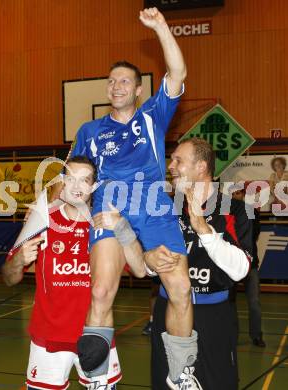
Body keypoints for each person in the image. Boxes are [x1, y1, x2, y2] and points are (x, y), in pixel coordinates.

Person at [64, 7, 199, 390]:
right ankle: (97, 377)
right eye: (111, 81)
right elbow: (76, 177)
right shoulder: (89, 130)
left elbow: (178, 74)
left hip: (155, 210)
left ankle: (180, 373)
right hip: (109, 209)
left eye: (125, 81)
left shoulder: (154, 116)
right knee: (102, 290)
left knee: (180, 288)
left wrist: (160, 27)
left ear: (139, 89)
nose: (117, 86)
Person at [2, 156, 145, 390]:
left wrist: (122, 227)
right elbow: (9, 278)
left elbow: (139, 269)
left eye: (85, 180)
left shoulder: (105, 224)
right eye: (71, 179)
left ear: (93, 187)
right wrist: (18, 261)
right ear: (62, 182)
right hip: (49, 337)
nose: (77, 187)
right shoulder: (42, 221)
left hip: (97, 333)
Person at [145, 137, 253, 390]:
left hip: (213, 317)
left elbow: (241, 270)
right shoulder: (164, 208)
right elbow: (144, 265)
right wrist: (148, 260)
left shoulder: (237, 209)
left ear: (201, 167)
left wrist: (203, 228)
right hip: (168, 311)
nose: (171, 166)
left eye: (178, 161)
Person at [232, 188, 265, 347]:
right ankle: (230, 335)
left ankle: (256, 335)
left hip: (250, 266)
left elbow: (253, 235)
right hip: (231, 266)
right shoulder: (225, 213)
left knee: (254, 302)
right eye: (233, 194)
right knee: (229, 304)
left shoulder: (252, 212)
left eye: (238, 193)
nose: (236, 196)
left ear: (243, 195)